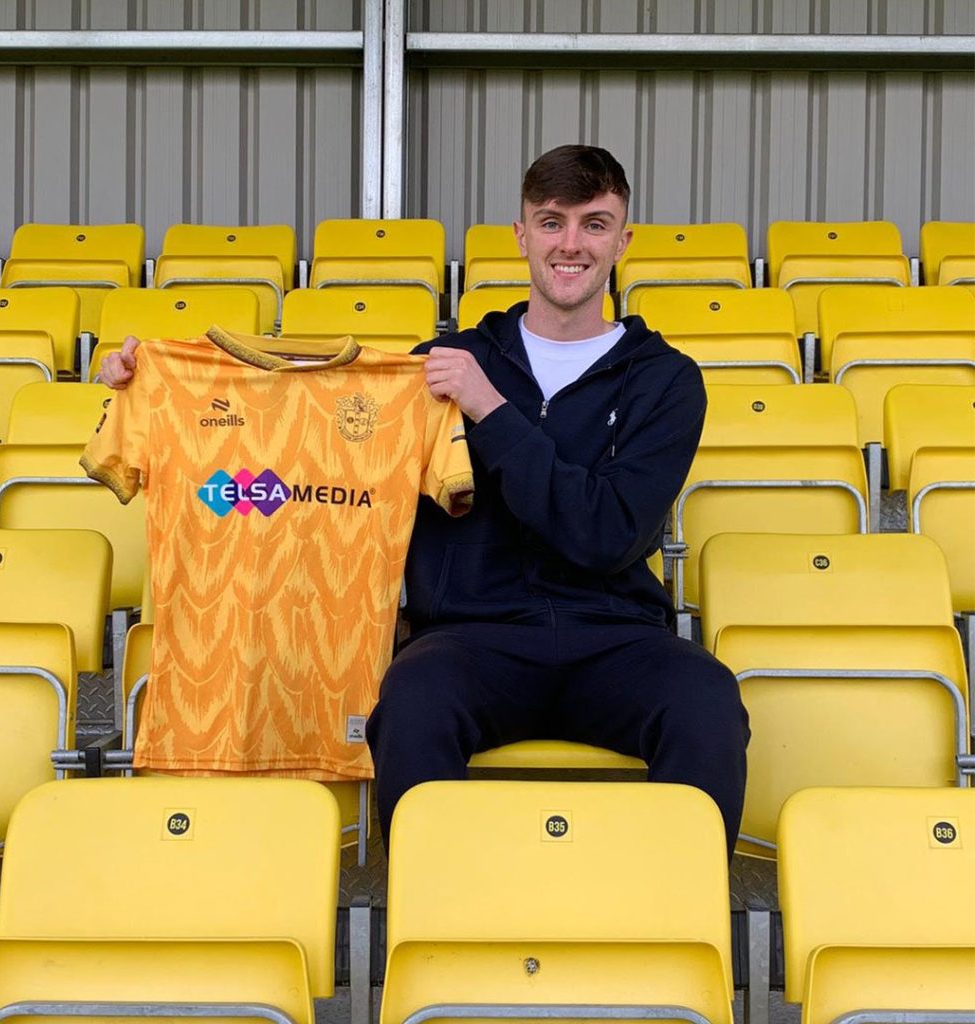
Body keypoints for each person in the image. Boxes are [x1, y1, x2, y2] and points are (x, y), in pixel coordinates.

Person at [100, 144, 749, 860]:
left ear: (624, 240)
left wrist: (491, 411)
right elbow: (301, 438)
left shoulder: (665, 380)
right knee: (410, 703)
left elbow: (608, 533)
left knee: (708, 701)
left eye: (594, 224)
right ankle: (429, 923)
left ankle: (679, 923)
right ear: (521, 235)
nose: (571, 243)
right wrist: (159, 384)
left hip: (618, 636)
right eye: (552, 221)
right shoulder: (439, 366)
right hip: (472, 638)